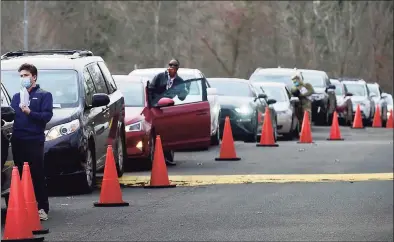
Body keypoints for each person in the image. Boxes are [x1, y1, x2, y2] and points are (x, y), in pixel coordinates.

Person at [10, 63, 53, 221]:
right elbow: (10, 116)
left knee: (37, 173)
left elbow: (46, 116)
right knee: (19, 174)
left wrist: (30, 112)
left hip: (34, 139)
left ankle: (42, 208)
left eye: (26, 75)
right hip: (18, 139)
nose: (23, 78)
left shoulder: (44, 95)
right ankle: (24, 206)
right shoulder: (16, 97)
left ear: (34, 77)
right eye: (21, 76)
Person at [147, 58, 189, 166]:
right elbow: (151, 89)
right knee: (157, 131)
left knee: (168, 131)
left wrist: (184, 90)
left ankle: (168, 157)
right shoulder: (160, 77)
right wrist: (152, 102)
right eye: (170, 66)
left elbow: (182, 97)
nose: (171, 68)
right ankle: (156, 155)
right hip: (156, 107)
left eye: (174, 67)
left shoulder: (179, 81)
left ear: (177, 69)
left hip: (169, 107)